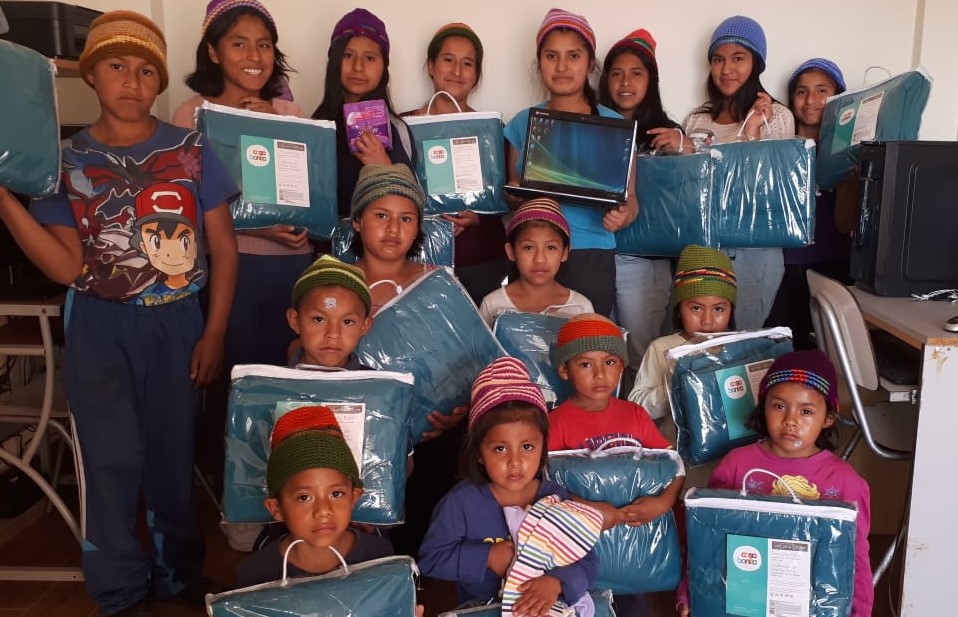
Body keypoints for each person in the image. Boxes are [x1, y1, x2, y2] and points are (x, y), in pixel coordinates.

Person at [0, 11, 238, 616]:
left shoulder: (190, 150)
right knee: (110, 460)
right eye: (116, 66)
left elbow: (223, 248)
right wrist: (4, 199)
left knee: (171, 456)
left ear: (160, 80)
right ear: (91, 75)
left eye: (146, 70)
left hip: (178, 323)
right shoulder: (65, 161)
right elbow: (63, 267)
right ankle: (121, 591)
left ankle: (177, 576)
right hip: (100, 327)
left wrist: (213, 331)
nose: (132, 81)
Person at [676, 350, 872, 617]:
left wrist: (861, 612)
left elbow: (856, 558)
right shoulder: (736, 465)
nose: (791, 420)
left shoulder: (845, 481)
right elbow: (708, 539)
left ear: (828, 418)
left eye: (806, 411)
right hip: (743, 596)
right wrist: (690, 593)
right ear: (763, 405)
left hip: (810, 604)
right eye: (779, 406)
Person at [172, 0, 312, 368]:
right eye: (238, 43)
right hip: (224, 266)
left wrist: (276, 127)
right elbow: (183, 208)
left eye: (264, 44)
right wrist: (259, 229)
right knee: (229, 373)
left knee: (286, 373)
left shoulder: (289, 113)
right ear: (213, 52)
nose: (254, 55)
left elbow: (314, 198)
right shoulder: (192, 114)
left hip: (290, 266)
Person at [418, 357, 599, 611]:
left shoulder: (556, 500)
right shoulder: (461, 503)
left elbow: (588, 560)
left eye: (527, 447)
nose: (515, 462)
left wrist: (557, 582)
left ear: (543, 447)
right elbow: (431, 559)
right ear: (479, 453)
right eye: (500, 449)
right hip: (482, 611)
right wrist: (487, 556)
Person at [504, 8, 638, 317]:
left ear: (590, 63)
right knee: (530, 339)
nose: (562, 66)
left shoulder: (615, 126)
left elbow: (631, 200)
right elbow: (513, 196)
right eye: (551, 56)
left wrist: (623, 215)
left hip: (590, 252)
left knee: (587, 340)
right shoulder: (522, 123)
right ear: (539, 62)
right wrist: (515, 194)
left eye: (573, 56)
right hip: (533, 253)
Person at [548, 312, 684, 617]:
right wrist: (589, 509)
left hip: (637, 549)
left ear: (622, 366)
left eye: (609, 362)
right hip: (580, 548)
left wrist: (663, 503)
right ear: (564, 370)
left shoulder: (634, 415)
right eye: (585, 364)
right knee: (582, 608)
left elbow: (674, 466)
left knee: (635, 608)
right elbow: (543, 486)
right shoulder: (556, 423)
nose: (600, 374)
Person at [683, 15, 793, 330]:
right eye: (718, 59)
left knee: (745, 337)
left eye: (738, 58)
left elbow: (766, 190)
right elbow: (689, 189)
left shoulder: (777, 117)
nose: (726, 69)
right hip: (703, 246)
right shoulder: (696, 120)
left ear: (756, 64)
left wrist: (752, 130)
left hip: (755, 249)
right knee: (699, 336)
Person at [599, 28, 686, 375]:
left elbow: (686, 198)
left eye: (636, 73)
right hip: (599, 253)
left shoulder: (667, 132)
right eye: (617, 73)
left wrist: (685, 147)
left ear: (651, 80)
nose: (626, 82)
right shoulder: (593, 125)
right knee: (604, 352)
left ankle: (641, 411)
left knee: (642, 354)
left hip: (645, 260)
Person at [402, 22, 509, 306]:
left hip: (482, 263)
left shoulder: (493, 130)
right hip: (416, 262)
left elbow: (507, 199)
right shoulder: (403, 126)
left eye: (467, 63)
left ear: (476, 75)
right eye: (448, 60)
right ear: (431, 66)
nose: (457, 71)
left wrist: (479, 217)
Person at [235, 405, 393, 587]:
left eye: (336, 493)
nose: (323, 511)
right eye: (304, 497)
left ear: (354, 497)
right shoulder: (256, 575)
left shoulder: (379, 557)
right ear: (276, 508)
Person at [767, 58, 855, 348]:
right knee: (780, 347)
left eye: (822, 91)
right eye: (802, 91)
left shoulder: (848, 153)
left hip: (833, 265)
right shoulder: (779, 148)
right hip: (784, 266)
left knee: (828, 350)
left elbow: (845, 222)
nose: (811, 100)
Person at [312, 8, 415, 218]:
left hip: (384, 238)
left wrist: (382, 166)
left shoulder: (398, 130)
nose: (358, 67)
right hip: (323, 239)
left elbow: (413, 209)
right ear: (334, 62)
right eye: (348, 55)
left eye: (369, 58)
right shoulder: (315, 128)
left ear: (384, 67)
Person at [628, 245, 737, 435]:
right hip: (676, 446)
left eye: (719, 309)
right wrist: (677, 386)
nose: (707, 320)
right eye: (696, 308)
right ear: (679, 309)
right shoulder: (662, 348)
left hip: (734, 448)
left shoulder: (740, 347)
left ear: (731, 310)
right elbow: (637, 407)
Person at [478, 197, 593, 327]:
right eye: (528, 247)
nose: (539, 259)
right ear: (511, 251)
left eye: (551, 248)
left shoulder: (580, 308)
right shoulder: (493, 304)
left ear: (565, 252)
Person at [349, 163, 434, 313]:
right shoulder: (333, 285)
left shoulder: (436, 281)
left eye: (406, 219)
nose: (394, 229)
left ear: (417, 229)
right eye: (381, 216)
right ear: (357, 222)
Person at [286, 254, 373, 368]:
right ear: (295, 321)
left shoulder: (376, 379)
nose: (333, 334)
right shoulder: (271, 379)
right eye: (319, 319)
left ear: (364, 326)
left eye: (347, 322)